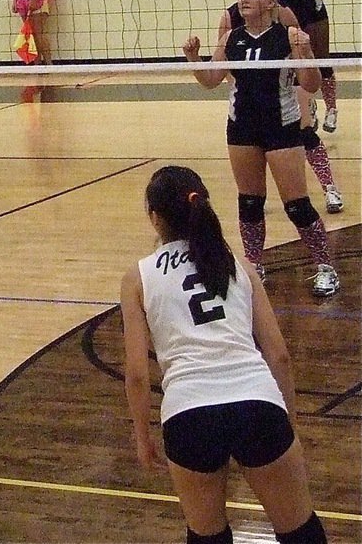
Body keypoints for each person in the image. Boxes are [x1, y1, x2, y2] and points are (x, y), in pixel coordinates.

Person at [121, 165, 328, 544]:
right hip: (256, 403)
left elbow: (136, 373)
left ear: (155, 218)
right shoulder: (240, 265)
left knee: (207, 536)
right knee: (301, 532)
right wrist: (287, 421)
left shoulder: (138, 276)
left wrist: (142, 436)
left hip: (188, 413)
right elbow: (278, 355)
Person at [182, 0, 340, 297]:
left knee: (297, 205)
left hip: (281, 126)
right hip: (242, 126)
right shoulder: (230, 38)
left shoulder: (290, 35)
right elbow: (211, 80)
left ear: (271, 3)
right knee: (250, 203)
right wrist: (193, 58)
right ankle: (255, 267)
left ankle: (326, 267)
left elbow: (310, 85)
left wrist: (305, 54)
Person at [218, 0, 343, 216]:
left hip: (288, 84)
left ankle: (330, 187)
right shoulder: (230, 17)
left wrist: (302, 91)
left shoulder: (280, 12)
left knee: (305, 132)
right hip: (252, 92)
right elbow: (223, 59)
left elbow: (298, 45)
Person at [259, 0, 337, 133]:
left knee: (321, 61)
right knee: (295, 65)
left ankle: (331, 109)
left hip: (314, 14)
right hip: (289, 18)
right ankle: (308, 105)